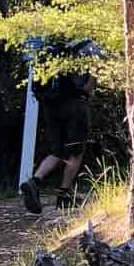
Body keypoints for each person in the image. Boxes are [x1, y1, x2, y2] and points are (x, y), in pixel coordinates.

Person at [19, 38, 100, 214]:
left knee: (57, 151)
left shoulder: (47, 44)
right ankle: (64, 195)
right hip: (75, 105)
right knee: (76, 150)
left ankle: (34, 181)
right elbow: (88, 85)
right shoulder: (85, 45)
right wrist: (89, 86)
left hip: (50, 105)